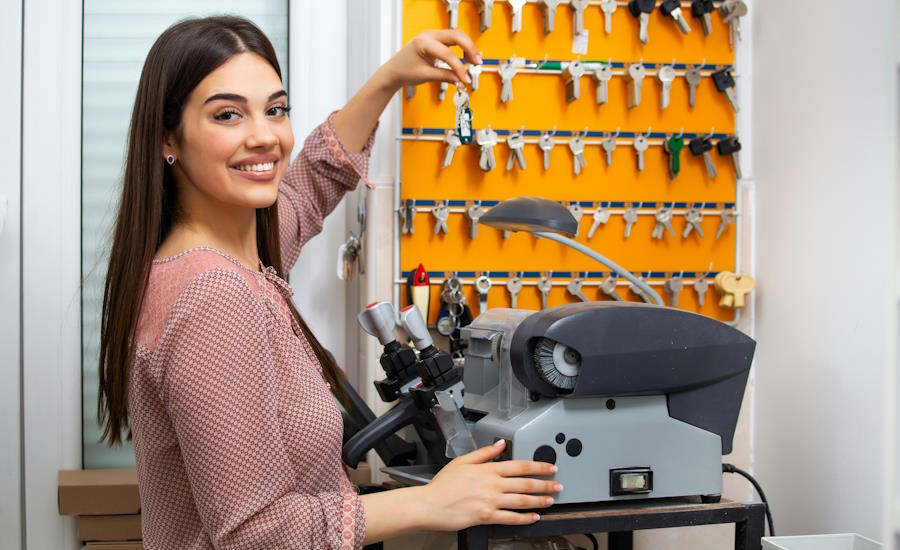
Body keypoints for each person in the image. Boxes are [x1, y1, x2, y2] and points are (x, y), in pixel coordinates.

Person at [97, 16, 561, 549]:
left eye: (275, 109)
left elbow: (310, 184)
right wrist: (432, 501)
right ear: (167, 139)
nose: (264, 136)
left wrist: (391, 77)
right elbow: (256, 533)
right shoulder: (214, 298)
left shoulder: (224, 258)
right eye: (228, 114)